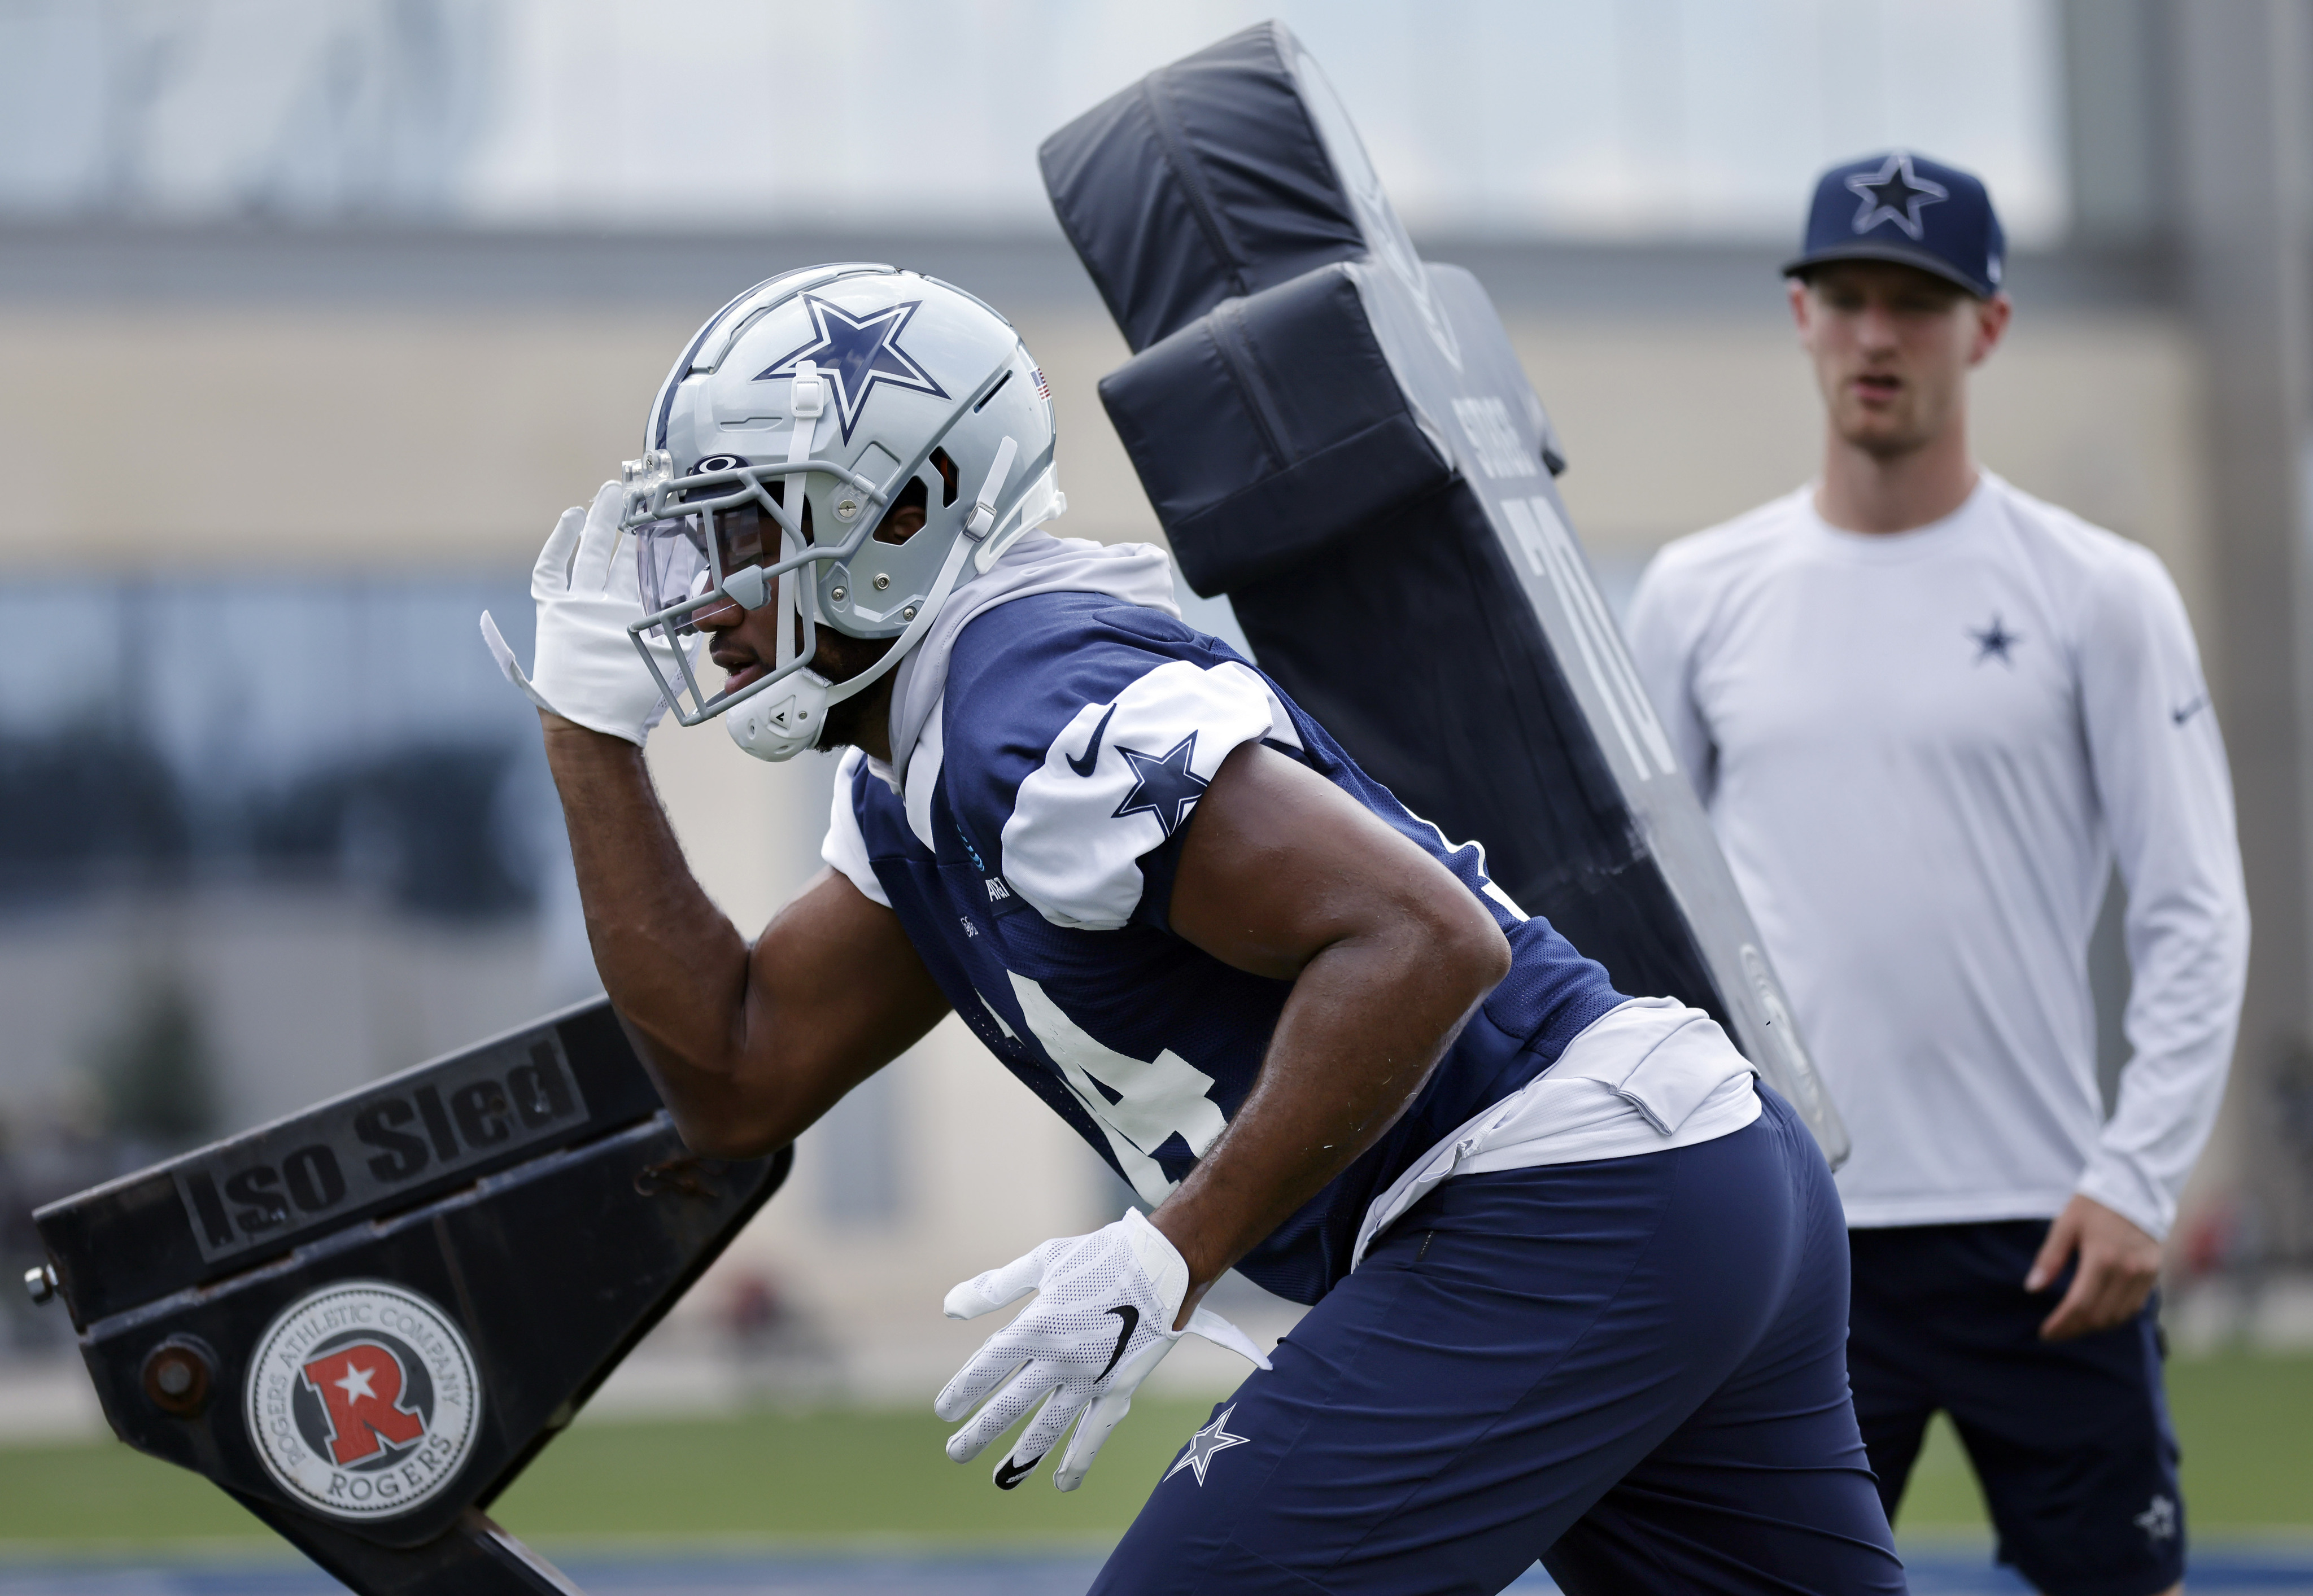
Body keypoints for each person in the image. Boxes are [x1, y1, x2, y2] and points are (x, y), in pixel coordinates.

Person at [485, 265, 1905, 1594]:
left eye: (749, 529)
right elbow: (740, 1073)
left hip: (1566, 1192)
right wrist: (586, 740)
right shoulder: (922, 763)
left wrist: (1172, 1248)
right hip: (1671, 1176)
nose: (711, 596)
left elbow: (1424, 938)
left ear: (905, 509)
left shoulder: (1023, 722)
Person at [1627, 152, 2251, 1596]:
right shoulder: (1697, 593)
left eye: (1913, 301)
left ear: (1985, 326)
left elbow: (2191, 908)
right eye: (1844, 295)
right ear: (1799, 314)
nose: (1874, 333)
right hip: (1794, 1227)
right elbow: (1650, 925)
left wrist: (2138, 1178)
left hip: (2050, 1235)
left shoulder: (2095, 591)